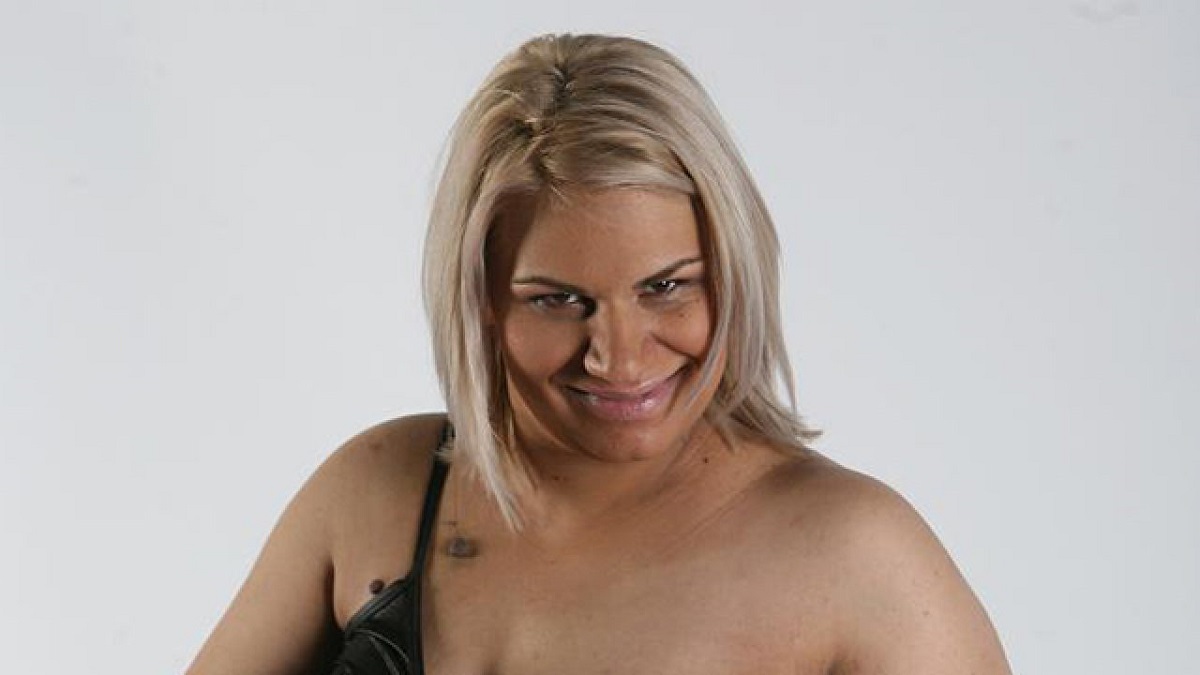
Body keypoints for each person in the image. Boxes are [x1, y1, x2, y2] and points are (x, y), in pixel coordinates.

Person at [187, 33, 1012, 675]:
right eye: (558, 300)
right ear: (479, 297)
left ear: (734, 271)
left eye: (667, 286)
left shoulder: (855, 554)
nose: (619, 358)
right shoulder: (377, 489)